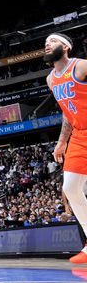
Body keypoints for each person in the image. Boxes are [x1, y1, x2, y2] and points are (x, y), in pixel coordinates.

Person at [46, 32, 87, 264]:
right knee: (70, 189)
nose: (47, 45)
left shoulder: (80, 67)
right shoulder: (51, 79)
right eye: (45, 44)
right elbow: (66, 110)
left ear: (66, 47)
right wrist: (62, 140)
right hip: (80, 135)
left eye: (52, 41)